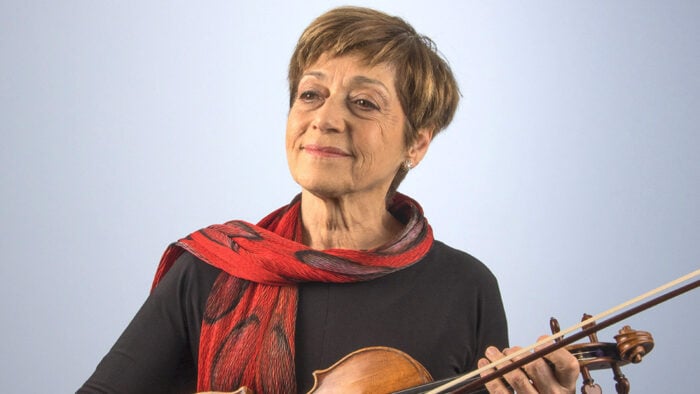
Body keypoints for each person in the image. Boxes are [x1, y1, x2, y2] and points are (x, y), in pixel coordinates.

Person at [80, 6, 578, 394]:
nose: (325, 119)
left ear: (417, 142)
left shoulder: (465, 288)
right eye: (311, 94)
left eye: (364, 103)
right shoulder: (215, 268)